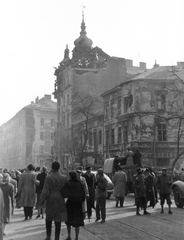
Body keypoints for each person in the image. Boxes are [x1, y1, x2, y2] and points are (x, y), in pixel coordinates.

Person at [40, 161, 67, 240]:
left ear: (52, 168)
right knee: (58, 218)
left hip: (51, 197)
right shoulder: (64, 177)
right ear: (59, 168)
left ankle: (48, 236)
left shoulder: (48, 177)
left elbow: (45, 190)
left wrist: (42, 200)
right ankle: (57, 237)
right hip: (60, 197)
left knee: (49, 217)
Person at [61, 170, 85, 240]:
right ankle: (76, 237)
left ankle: (69, 236)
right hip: (78, 204)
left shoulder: (68, 184)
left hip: (70, 204)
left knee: (68, 221)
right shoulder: (81, 184)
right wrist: (80, 201)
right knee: (77, 222)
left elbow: (63, 193)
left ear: (70, 177)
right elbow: (83, 196)